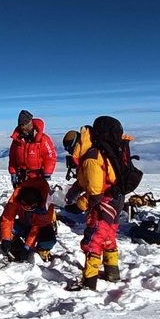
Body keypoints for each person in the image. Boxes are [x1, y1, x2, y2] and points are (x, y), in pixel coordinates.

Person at [61, 117, 126, 290]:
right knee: (108, 237)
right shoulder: (91, 154)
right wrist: (73, 191)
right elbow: (87, 181)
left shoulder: (90, 159)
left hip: (105, 202)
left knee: (92, 240)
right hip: (115, 200)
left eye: (69, 148)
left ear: (76, 144)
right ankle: (112, 272)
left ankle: (89, 282)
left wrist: (79, 205)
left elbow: (95, 193)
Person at [0, 177, 57, 262]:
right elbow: (7, 218)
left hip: (39, 228)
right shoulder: (16, 199)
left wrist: (27, 247)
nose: (27, 209)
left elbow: (36, 228)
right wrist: (6, 238)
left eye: (31, 207)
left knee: (48, 240)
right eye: (25, 206)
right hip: (24, 224)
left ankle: (42, 249)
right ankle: (14, 242)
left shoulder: (45, 206)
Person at [8, 110, 57, 188]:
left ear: (30, 123)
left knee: (37, 199)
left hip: (38, 176)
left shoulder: (43, 139)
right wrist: (13, 172)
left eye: (23, 124)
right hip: (22, 177)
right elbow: (12, 157)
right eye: (20, 125)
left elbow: (50, 157)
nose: (22, 127)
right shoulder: (17, 140)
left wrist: (47, 174)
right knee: (20, 199)